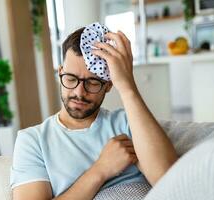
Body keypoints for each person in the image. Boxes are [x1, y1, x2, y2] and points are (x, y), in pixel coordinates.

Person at [10, 24, 178, 200]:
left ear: (108, 85)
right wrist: (101, 169)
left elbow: (172, 182)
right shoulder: (33, 141)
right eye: (71, 78)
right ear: (60, 73)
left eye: (92, 82)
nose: (79, 92)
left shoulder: (129, 123)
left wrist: (127, 86)